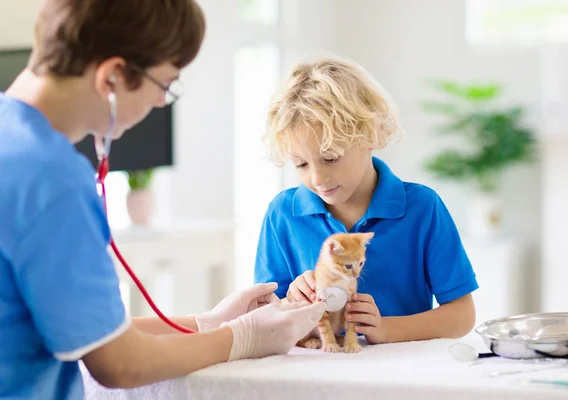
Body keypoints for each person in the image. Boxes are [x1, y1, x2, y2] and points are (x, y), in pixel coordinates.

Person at [0, 1, 325, 399]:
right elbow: (120, 362)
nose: (159, 104)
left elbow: (88, 330)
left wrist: (205, 322)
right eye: (165, 85)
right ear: (114, 76)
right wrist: (239, 340)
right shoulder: (51, 179)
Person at [254, 58, 478, 345]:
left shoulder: (423, 208)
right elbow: (263, 313)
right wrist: (289, 300)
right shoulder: (282, 213)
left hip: (401, 378)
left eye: (331, 158)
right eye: (300, 164)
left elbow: (461, 316)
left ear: (370, 135)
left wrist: (386, 329)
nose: (318, 178)